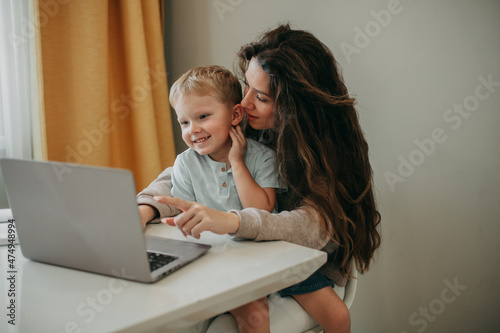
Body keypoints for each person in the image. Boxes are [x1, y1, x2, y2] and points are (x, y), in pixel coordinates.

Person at [138, 24, 381, 333]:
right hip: (236, 252)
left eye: (262, 97)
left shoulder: (325, 155)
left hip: (298, 256)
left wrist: (234, 222)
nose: (245, 103)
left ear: (295, 107)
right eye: (247, 86)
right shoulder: (244, 124)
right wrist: (145, 208)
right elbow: (184, 171)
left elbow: (312, 227)